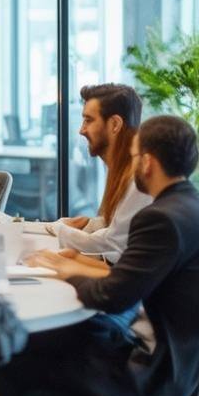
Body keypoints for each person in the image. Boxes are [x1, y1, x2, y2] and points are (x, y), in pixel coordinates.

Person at [0, 115, 199, 396]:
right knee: (41, 338)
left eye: (133, 158)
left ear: (147, 162)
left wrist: (67, 272)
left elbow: (109, 297)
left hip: (146, 376)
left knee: (7, 351)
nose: (131, 168)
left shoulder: (160, 218)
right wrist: (74, 263)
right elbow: (130, 281)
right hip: (179, 368)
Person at [51, 83, 153, 262]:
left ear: (114, 124)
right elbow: (121, 227)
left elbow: (113, 243)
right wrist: (91, 224)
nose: (82, 130)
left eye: (88, 120)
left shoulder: (137, 178)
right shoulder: (120, 170)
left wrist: (58, 229)